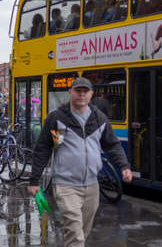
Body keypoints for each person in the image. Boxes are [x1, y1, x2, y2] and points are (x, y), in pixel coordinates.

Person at [28, 77, 132, 247]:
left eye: (85, 91)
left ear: (91, 94)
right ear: (70, 93)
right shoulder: (59, 119)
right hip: (66, 186)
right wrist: (34, 181)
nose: (81, 95)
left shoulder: (99, 119)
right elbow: (45, 148)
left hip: (92, 186)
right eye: (78, 91)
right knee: (76, 237)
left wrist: (124, 167)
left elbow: (112, 145)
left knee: (81, 233)